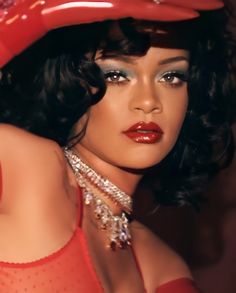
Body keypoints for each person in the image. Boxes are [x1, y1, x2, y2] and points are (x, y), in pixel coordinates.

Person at [0, 0, 235, 292]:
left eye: (171, 76)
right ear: (67, 82)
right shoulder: (29, 169)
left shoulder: (162, 265)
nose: (148, 101)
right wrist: (24, 23)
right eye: (116, 75)